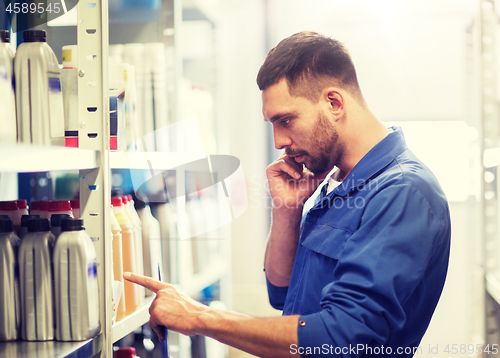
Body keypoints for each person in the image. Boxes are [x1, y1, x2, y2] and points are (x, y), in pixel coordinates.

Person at [124, 31, 451, 357]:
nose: (278, 141)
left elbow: (342, 337)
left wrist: (199, 317)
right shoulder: (335, 178)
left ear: (333, 103)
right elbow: (282, 293)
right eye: (271, 124)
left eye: (286, 120)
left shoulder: (402, 192)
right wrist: (287, 211)